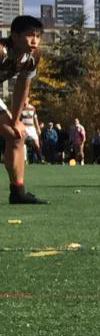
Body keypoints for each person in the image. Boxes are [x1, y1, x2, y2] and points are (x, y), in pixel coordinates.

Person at [1, 15, 48, 203]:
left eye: (38, 36)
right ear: (14, 36)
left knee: (16, 134)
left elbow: (22, 86)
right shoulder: (1, 51)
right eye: (29, 35)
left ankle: (18, 192)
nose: (34, 41)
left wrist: (16, 119)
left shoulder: (33, 57)